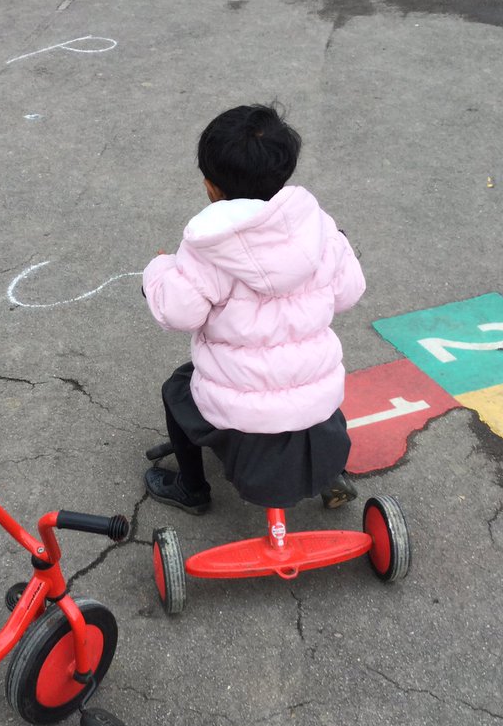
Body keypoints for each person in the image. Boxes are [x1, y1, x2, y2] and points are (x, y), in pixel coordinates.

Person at [142, 103, 365, 516]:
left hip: (242, 413)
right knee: (303, 391)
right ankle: (327, 474)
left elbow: (178, 313)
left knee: (177, 389)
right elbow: (348, 292)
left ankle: (190, 488)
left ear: (210, 186)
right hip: (315, 395)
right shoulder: (320, 229)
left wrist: (158, 270)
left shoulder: (209, 246)